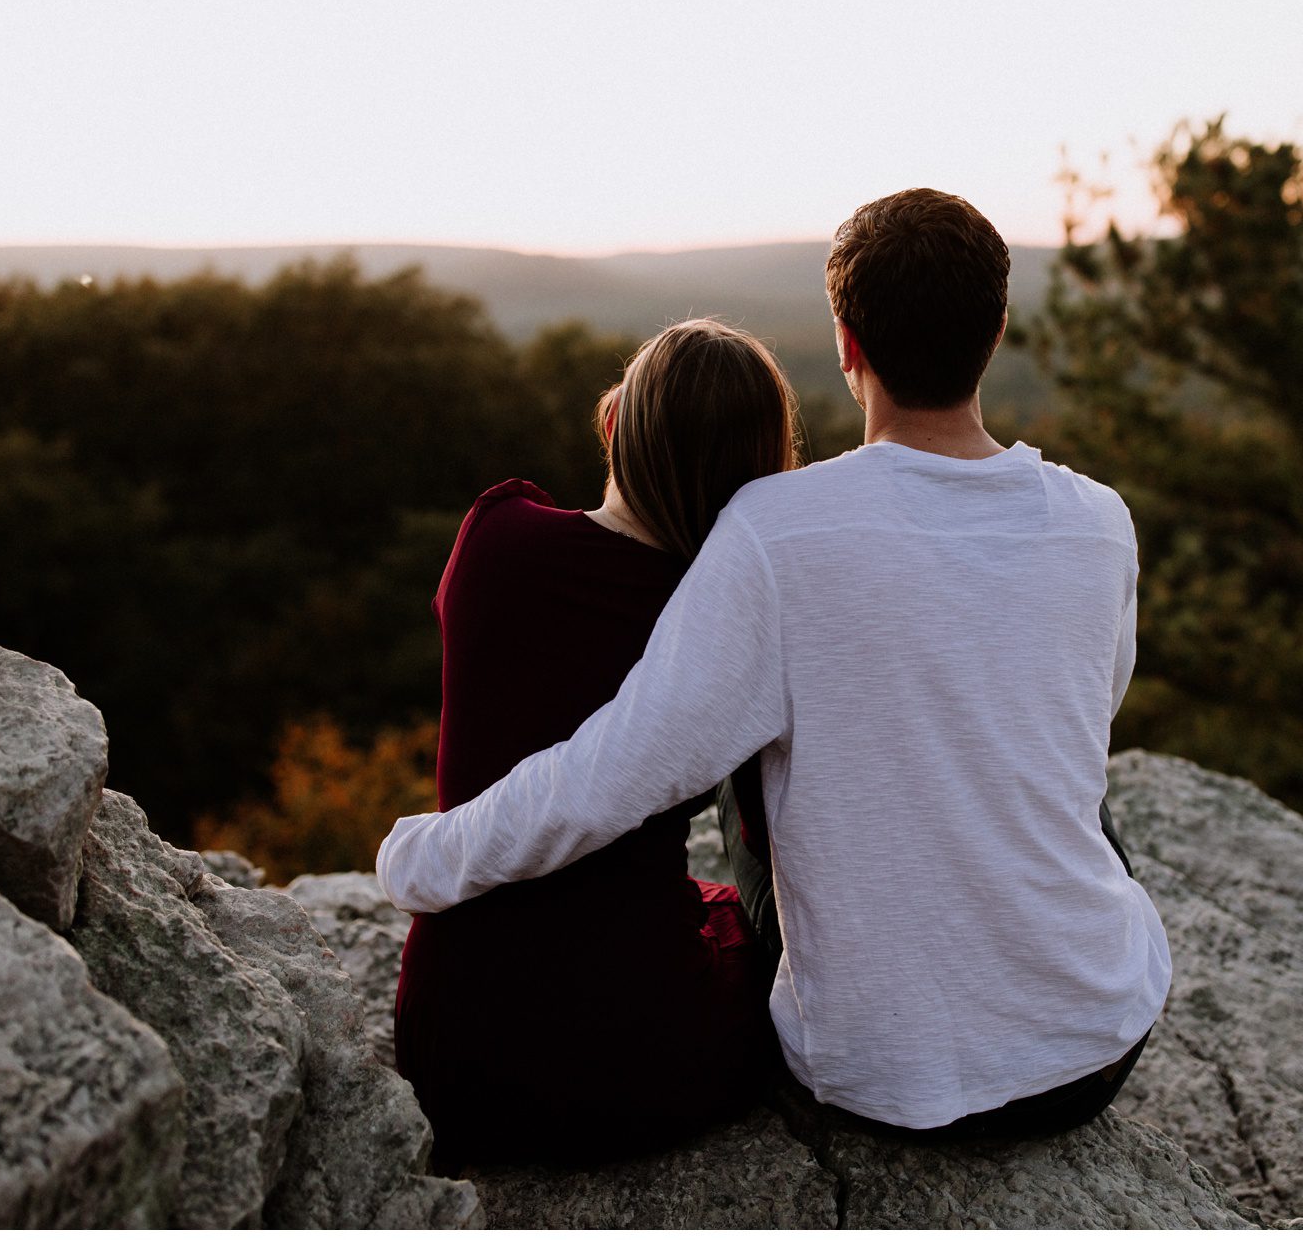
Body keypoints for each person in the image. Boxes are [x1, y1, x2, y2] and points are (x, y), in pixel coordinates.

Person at [380, 188, 1171, 1139]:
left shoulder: (774, 531)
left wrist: (422, 858)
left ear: (846, 342)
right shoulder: (1100, 522)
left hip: (884, 1078)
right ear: (997, 330)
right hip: (1094, 1050)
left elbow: (614, 775)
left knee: (744, 720)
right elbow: (1088, 717)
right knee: (1066, 774)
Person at [390, 318, 798, 1162]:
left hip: (449, 1047)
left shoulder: (496, 537)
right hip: (634, 1061)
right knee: (749, 942)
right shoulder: (723, 628)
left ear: (613, 425)